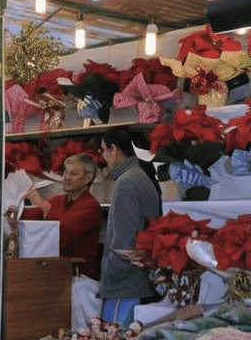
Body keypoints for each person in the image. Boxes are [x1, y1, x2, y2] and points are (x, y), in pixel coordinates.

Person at [98, 127, 161, 328]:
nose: (103, 156)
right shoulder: (139, 177)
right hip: (137, 283)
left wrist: (110, 273)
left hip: (125, 287)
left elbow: (125, 242)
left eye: (103, 150)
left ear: (113, 149)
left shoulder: (126, 183)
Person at [22, 152, 102, 279]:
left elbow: (61, 232)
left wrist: (40, 203)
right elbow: (28, 215)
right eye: (65, 172)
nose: (66, 177)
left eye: (73, 174)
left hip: (80, 280)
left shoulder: (91, 207)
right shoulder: (58, 200)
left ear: (88, 177)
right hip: (54, 275)